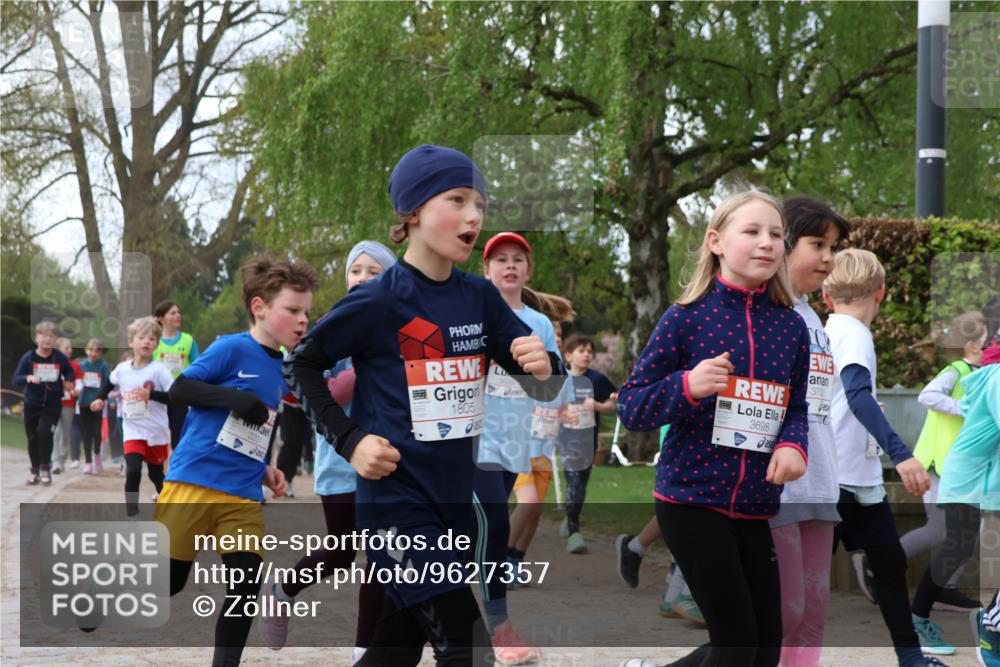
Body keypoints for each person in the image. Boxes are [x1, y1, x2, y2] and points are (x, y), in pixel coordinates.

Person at [286, 144, 565, 667]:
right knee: (470, 650)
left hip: (452, 506)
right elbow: (300, 365)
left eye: (479, 202)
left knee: (394, 649)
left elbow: (543, 386)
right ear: (412, 213)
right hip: (396, 507)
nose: (474, 215)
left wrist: (548, 364)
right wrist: (350, 441)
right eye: (457, 199)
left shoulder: (479, 298)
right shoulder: (379, 298)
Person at [618, 189, 810, 667]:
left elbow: (799, 406)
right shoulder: (685, 319)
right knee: (738, 643)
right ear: (716, 241)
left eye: (776, 235)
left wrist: (792, 444)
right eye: (752, 231)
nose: (767, 243)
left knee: (764, 647)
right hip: (690, 501)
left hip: (754, 504)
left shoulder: (791, 327)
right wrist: (688, 386)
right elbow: (631, 407)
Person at [155, 255, 316, 666]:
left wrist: (265, 468)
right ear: (260, 307)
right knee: (169, 583)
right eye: (293, 310)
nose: (302, 320)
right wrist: (237, 399)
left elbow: (258, 429)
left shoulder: (285, 367)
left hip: (242, 494)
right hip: (193, 482)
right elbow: (181, 391)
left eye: (306, 313)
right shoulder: (231, 348)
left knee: (245, 587)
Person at [258, 240, 395, 664]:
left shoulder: (403, 329)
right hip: (341, 459)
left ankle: (363, 653)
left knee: (381, 555)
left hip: (390, 461)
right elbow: (323, 390)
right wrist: (363, 367)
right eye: (357, 271)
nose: (363, 279)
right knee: (340, 550)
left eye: (375, 271)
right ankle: (282, 592)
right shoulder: (334, 327)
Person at [824, 248, 947, 667]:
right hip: (838, 479)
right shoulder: (855, 333)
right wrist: (903, 455)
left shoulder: (828, 327)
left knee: (890, 563)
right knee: (805, 584)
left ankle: (910, 656)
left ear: (827, 296)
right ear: (882, 292)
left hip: (856, 478)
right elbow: (858, 396)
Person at [473, 231, 571, 664]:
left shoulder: (539, 324)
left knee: (473, 533)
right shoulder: (469, 314)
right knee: (493, 523)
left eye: (517, 260)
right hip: (474, 438)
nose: (509, 265)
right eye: (500, 259)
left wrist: (546, 370)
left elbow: (549, 387)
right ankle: (499, 628)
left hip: (516, 437)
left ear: (527, 272)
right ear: (487, 270)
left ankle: (445, 615)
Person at [768, 196, 850, 666]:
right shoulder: (767, 314)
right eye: (817, 244)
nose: (827, 258)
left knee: (814, 611)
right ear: (785, 243)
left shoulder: (814, 319)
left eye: (833, 247)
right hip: (778, 489)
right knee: (784, 610)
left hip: (820, 482)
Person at [91, 317, 174, 518]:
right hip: (133, 430)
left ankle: (168, 505)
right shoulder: (122, 369)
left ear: (156, 344)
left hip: (156, 432)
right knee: (133, 470)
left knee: (156, 474)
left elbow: (174, 396)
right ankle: (132, 514)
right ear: (131, 342)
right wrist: (100, 398)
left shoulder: (159, 370)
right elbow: (109, 383)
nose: (147, 342)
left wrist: (151, 395)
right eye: (142, 337)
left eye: (152, 339)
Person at [557, 333, 617, 554]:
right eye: (581, 351)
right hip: (565, 437)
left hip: (588, 437)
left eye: (590, 352)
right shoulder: (559, 377)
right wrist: (560, 415)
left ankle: (569, 518)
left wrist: (599, 407)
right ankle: (574, 533)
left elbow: (614, 400)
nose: (587, 355)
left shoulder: (597, 379)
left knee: (581, 482)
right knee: (573, 480)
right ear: (569, 355)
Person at [11, 321, 76, 485]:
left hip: (52, 404)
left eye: (51, 336)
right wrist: (28, 377)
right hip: (32, 404)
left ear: (55, 340)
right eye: (44, 336)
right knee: (32, 438)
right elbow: (16, 379)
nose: (47, 339)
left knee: (45, 432)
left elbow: (69, 373)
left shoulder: (59, 357)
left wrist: (69, 382)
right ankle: (34, 470)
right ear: (36, 338)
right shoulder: (29, 358)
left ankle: (46, 468)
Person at [154, 300, 200, 449]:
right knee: (158, 435)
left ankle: (175, 469)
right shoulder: (153, 341)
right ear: (161, 319)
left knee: (178, 436)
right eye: (172, 313)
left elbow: (198, 366)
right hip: (158, 394)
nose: (177, 315)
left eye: (178, 312)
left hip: (180, 394)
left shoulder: (188, 340)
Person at [77, 338, 110, 474]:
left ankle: (97, 456)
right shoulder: (82, 365)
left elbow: (108, 383)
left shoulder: (103, 366)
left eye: (97, 351)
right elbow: (76, 380)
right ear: (86, 350)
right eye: (91, 350)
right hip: (84, 402)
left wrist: (103, 398)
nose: (93, 353)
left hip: (97, 403)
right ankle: (88, 462)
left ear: (101, 353)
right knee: (86, 433)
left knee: (97, 433)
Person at [50, 337, 81, 474]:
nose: (70, 350)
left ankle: (62, 458)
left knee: (65, 434)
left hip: (69, 404)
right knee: (55, 432)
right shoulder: (52, 363)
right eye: (66, 347)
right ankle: (56, 461)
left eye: (70, 347)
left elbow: (79, 381)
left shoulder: (74, 365)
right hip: (54, 403)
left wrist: (77, 389)